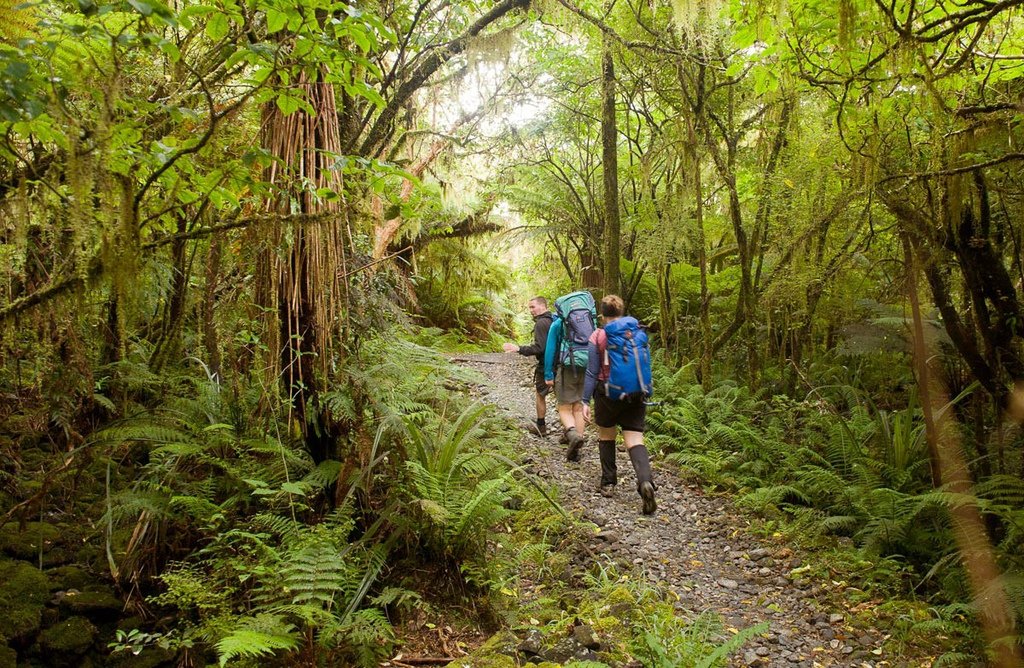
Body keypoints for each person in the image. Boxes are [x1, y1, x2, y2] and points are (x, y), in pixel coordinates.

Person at [582, 294, 657, 515]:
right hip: (636, 392)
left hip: (607, 393)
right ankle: (646, 482)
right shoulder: (635, 332)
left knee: (606, 435)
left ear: (602, 314)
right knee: (634, 438)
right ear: (622, 311)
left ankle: (608, 483)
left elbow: (592, 372)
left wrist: (585, 400)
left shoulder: (598, 336)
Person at [543, 291, 596, 461]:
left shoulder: (558, 324)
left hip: (567, 367)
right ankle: (578, 443)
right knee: (579, 407)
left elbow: (550, 350)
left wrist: (548, 374)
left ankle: (573, 435)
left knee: (565, 407)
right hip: (587, 367)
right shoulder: (591, 322)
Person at [503, 297, 554, 436]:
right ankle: (570, 432)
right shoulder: (554, 320)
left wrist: (518, 349)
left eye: (533, 307)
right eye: (529, 308)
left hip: (547, 365)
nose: (531, 310)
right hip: (561, 363)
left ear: (543, 306)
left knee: (540, 394)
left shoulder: (541, 323)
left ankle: (541, 426)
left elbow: (540, 348)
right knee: (563, 400)